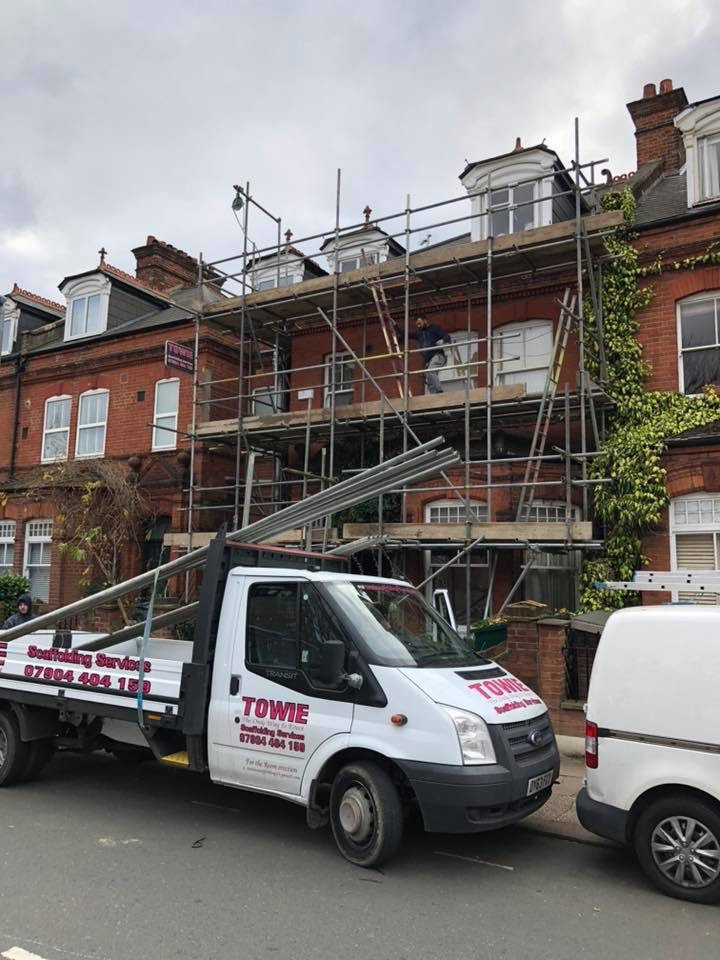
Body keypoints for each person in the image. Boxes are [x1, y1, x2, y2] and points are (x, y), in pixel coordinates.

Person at [396, 316, 449, 394]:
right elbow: (406, 334)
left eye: (420, 323)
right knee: (428, 377)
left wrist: (442, 340)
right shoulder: (419, 333)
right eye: (417, 324)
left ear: (425, 321)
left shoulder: (434, 328)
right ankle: (434, 394)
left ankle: (439, 390)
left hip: (437, 355)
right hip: (428, 359)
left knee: (430, 371)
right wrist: (395, 325)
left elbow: (447, 336)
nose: (418, 326)